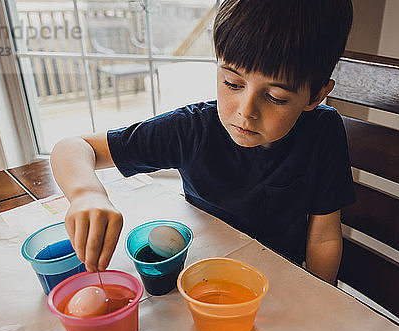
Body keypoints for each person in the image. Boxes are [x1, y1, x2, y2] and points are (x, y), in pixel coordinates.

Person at [51, 0, 355, 284]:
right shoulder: (191, 129)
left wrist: (319, 297)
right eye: (232, 83)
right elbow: (74, 147)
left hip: (277, 284)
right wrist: (86, 193)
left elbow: (324, 237)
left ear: (316, 95)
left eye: (275, 97)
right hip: (201, 276)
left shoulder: (322, 132)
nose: (245, 112)